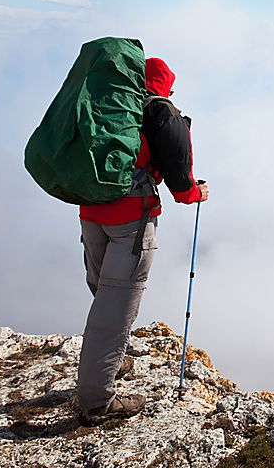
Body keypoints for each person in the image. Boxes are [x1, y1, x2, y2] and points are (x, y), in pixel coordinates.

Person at [75, 56, 209, 425]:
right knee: (116, 305)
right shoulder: (162, 112)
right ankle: (97, 401)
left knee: (104, 292)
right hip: (130, 220)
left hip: (91, 210)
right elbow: (182, 184)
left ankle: (109, 361)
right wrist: (198, 194)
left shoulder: (111, 104)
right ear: (166, 84)